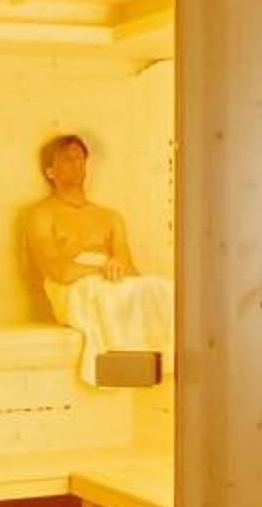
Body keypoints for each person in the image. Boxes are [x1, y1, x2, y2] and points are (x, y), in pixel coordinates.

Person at [23, 133, 173, 383]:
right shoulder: (41, 214)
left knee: (164, 289)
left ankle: (164, 363)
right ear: (50, 171)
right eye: (67, 159)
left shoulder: (110, 216)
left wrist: (115, 266)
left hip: (109, 281)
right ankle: (120, 368)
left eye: (80, 158)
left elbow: (129, 269)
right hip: (71, 287)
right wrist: (101, 269)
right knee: (100, 291)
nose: (76, 164)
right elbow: (56, 271)